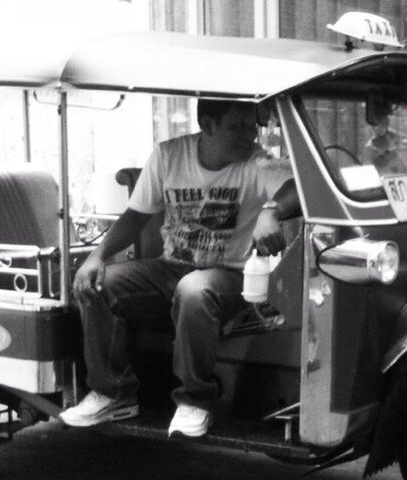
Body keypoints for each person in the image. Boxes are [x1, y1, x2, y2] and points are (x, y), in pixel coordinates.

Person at [59, 99, 298, 437]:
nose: (249, 135)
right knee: (100, 283)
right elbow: (135, 217)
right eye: (238, 126)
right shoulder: (169, 156)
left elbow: (296, 189)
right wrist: (97, 256)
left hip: (229, 274)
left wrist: (271, 210)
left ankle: (195, 400)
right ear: (208, 124)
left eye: (252, 126)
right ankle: (114, 392)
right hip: (170, 267)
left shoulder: (257, 162)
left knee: (194, 290)